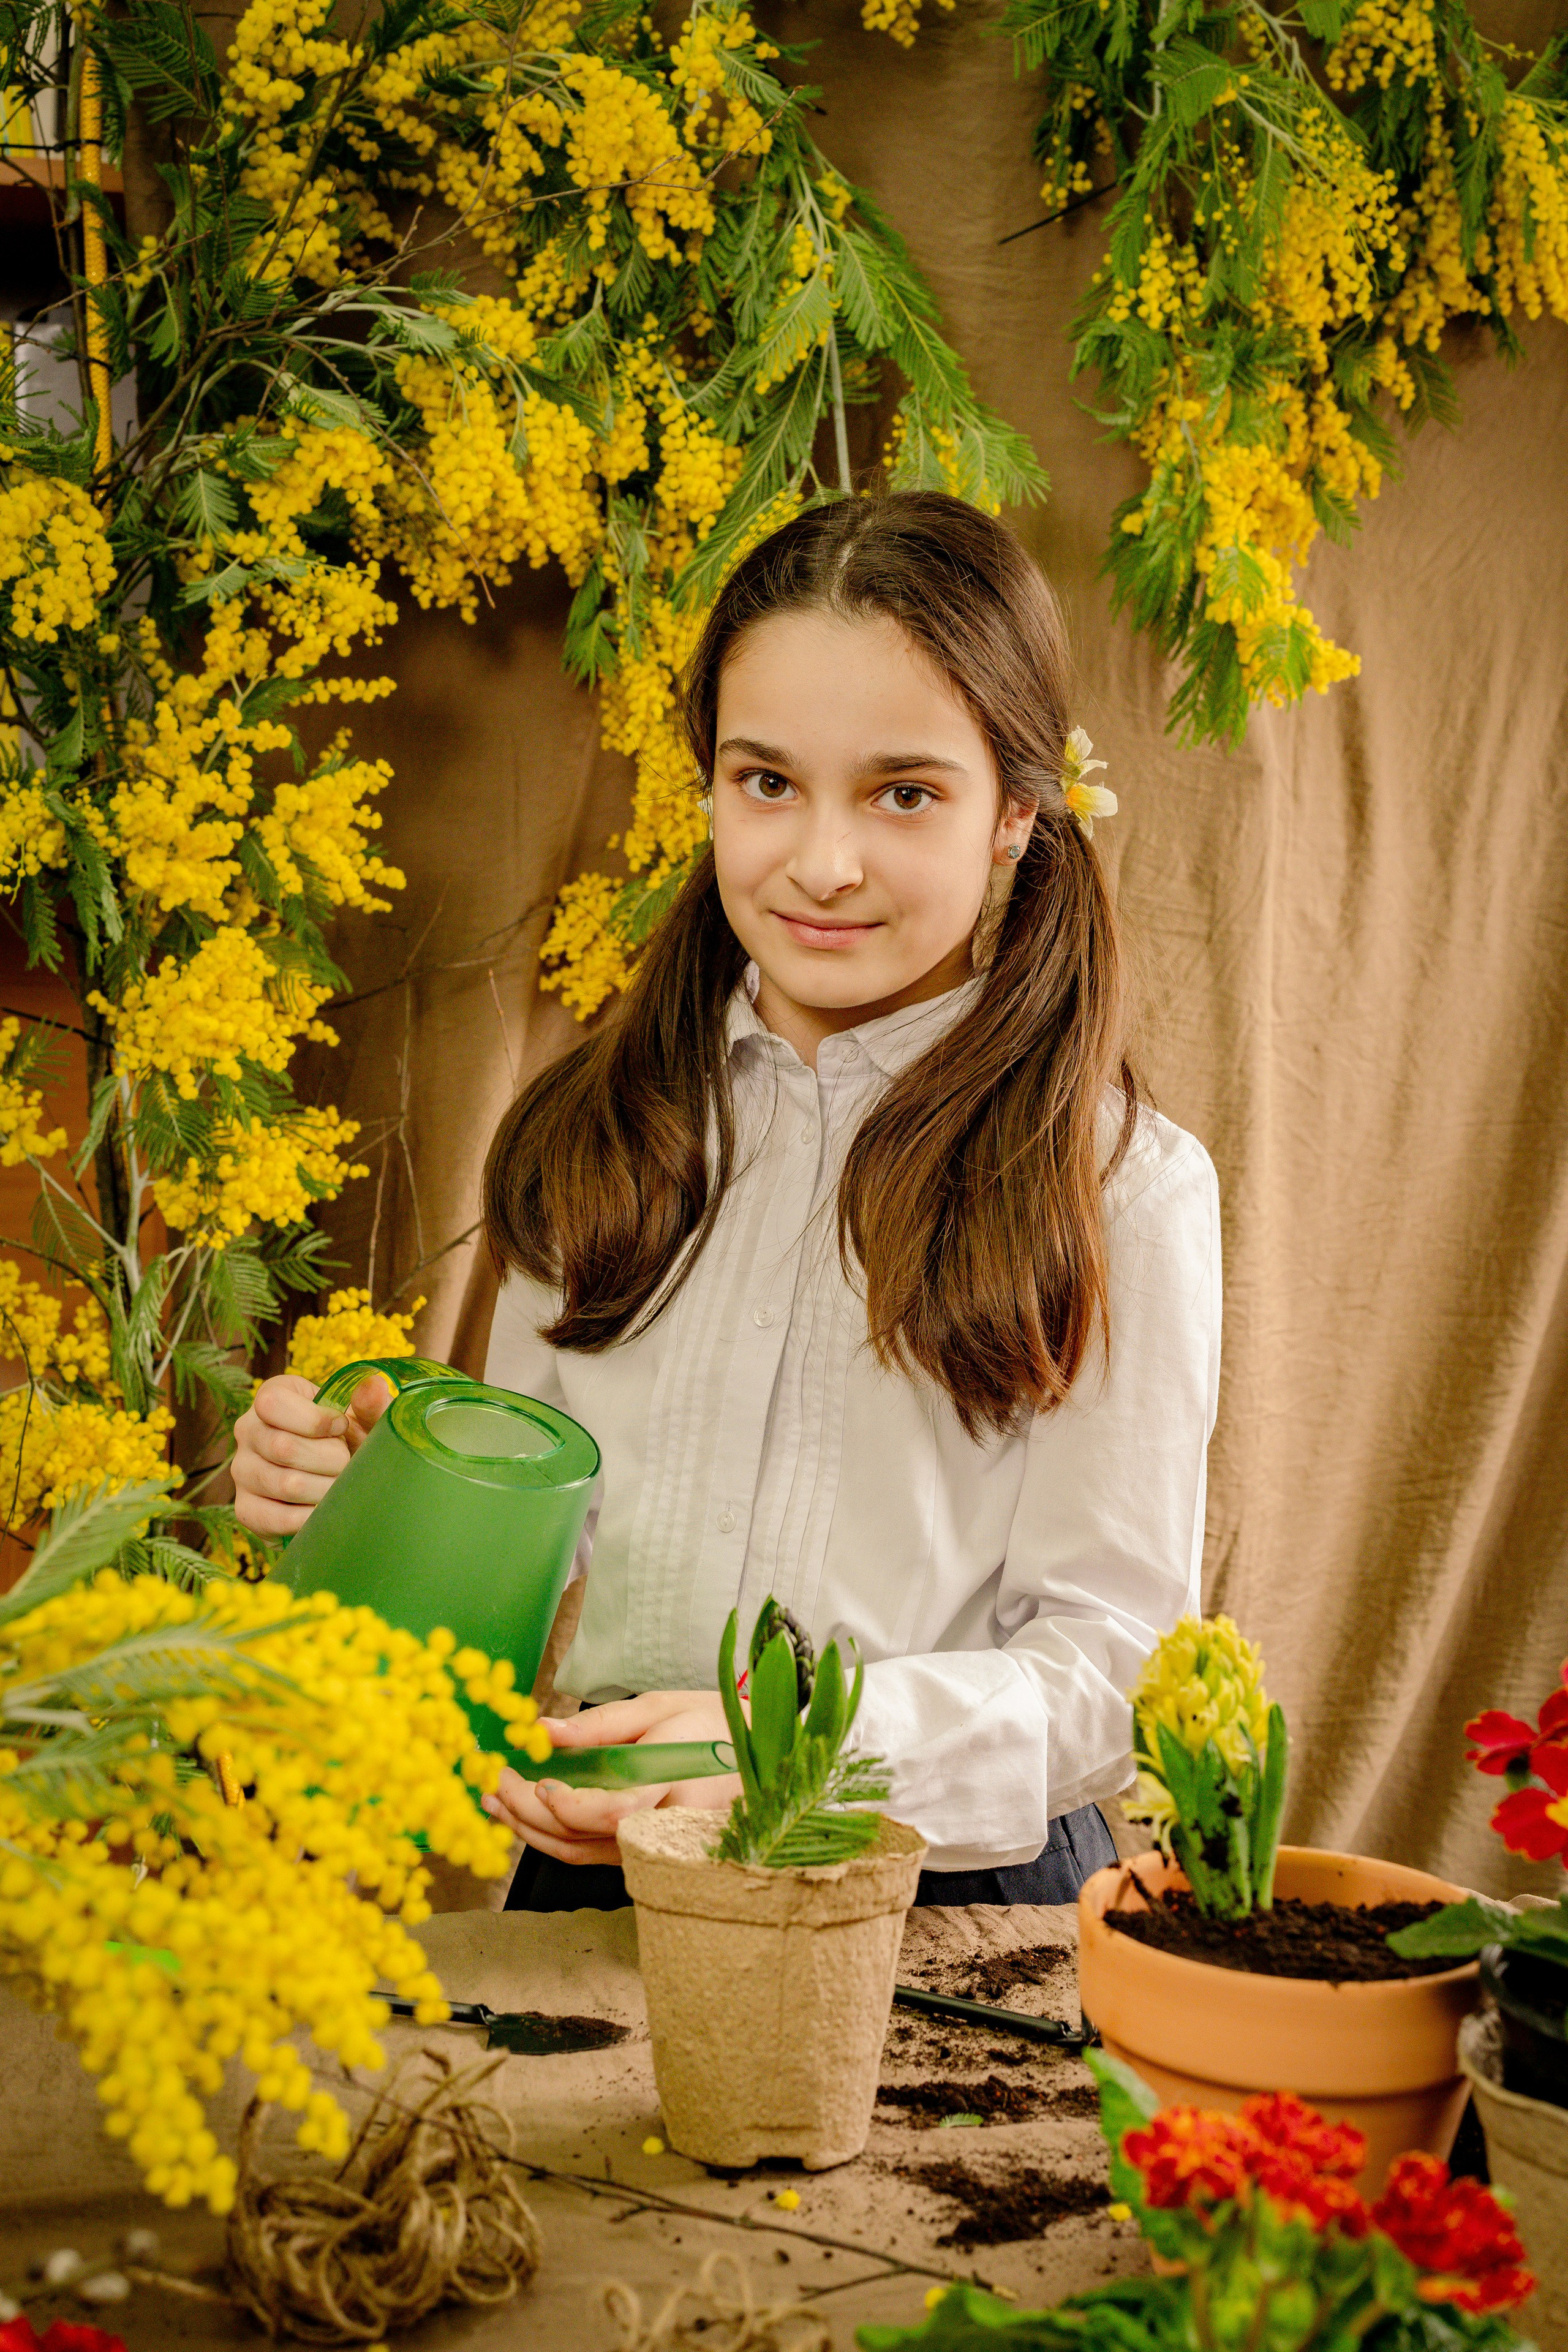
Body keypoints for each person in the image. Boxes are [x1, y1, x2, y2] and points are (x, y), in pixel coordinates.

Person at [232, 491, 1221, 1912]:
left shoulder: (1117, 1186)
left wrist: (787, 1754)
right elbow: (537, 1568)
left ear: (1014, 811)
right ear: (705, 782)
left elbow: (1107, 1678)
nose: (821, 862)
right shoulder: (594, 1135)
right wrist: (360, 1500)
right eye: (766, 782)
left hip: (938, 1904)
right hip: (603, 1878)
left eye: (903, 793)